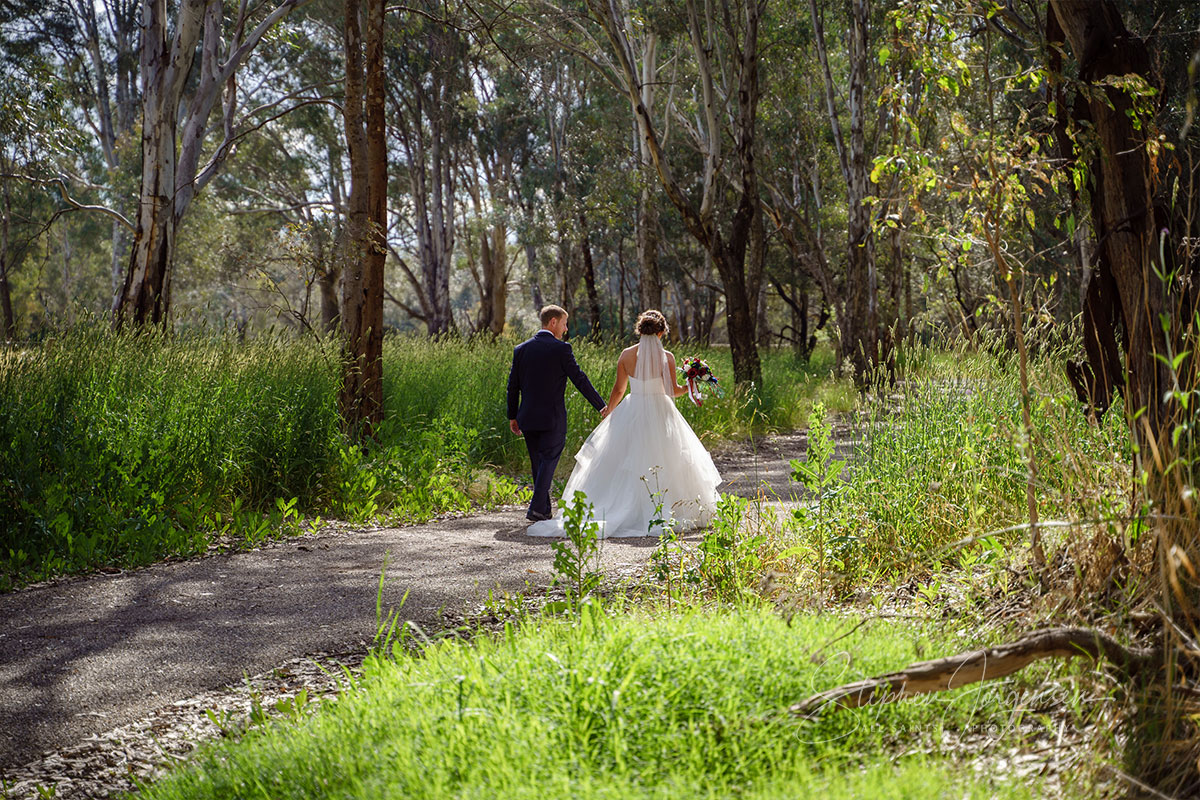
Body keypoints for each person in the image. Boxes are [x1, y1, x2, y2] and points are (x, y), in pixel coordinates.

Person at [527, 310, 722, 539]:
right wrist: (693, 382)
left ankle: (623, 506)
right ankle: (667, 508)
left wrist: (609, 412)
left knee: (626, 459)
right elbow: (672, 391)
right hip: (661, 411)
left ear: (639, 331)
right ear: (661, 332)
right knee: (666, 458)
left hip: (633, 410)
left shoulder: (627, 355)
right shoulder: (666, 357)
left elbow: (619, 389)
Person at [507, 305, 609, 522]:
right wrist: (601, 406)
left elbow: (512, 386)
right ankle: (536, 508)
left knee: (539, 463)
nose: (565, 328)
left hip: (527, 417)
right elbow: (579, 379)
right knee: (548, 460)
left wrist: (513, 416)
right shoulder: (561, 349)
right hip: (552, 419)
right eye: (564, 323)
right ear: (552, 322)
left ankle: (543, 511)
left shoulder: (521, 349)